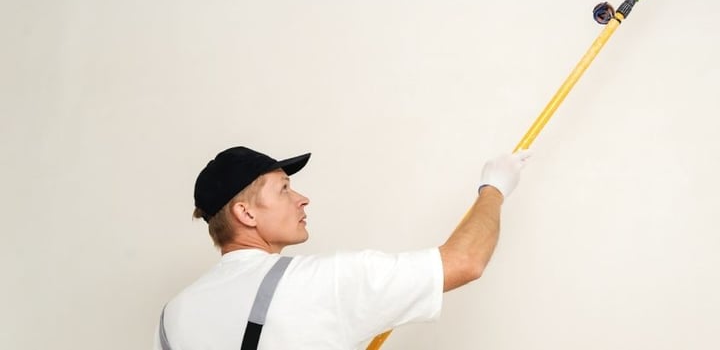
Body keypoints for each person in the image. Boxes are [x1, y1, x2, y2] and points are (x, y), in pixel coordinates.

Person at [155, 145, 532, 350]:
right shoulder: (321, 283)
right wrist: (494, 188)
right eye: (284, 188)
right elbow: (465, 261)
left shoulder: (173, 317)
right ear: (246, 214)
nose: (302, 199)